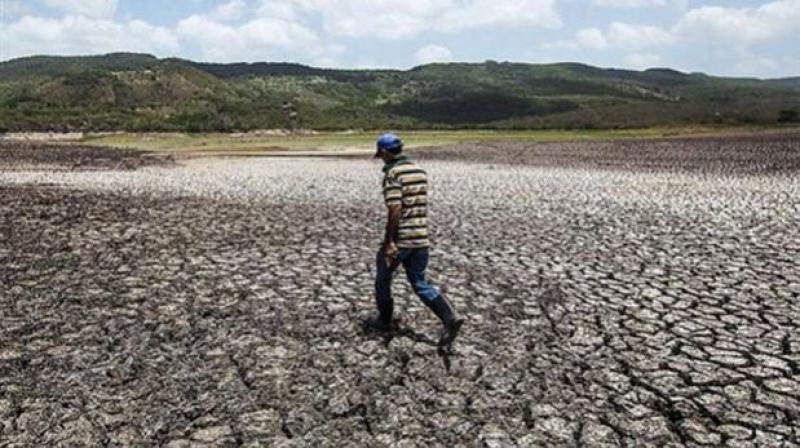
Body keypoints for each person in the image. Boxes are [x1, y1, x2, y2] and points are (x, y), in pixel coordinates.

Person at [364, 133, 464, 350]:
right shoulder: (419, 170)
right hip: (421, 237)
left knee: (383, 280)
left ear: (385, 152)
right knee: (420, 282)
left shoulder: (393, 173)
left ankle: (384, 320)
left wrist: (390, 241)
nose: (381, 158)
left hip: (402, 239)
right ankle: (449, 318)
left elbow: (395, 208)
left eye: (381, 154)